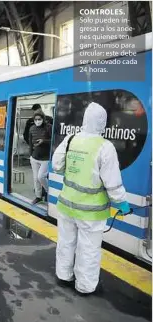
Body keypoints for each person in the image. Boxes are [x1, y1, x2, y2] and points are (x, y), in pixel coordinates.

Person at [52, 102, 131, 295]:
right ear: (102, 122)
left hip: (66, 205)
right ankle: (85, 286)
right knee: (88, 249)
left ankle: (63, 276)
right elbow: (112, 183)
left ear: (85, 119)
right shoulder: (105, 147)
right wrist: (122, 204)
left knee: (66, 242)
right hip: (91, 212)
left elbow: (56, 165)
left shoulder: (70, 139)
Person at [28, 110, 52, 204]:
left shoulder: (49, 127)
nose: (37, 121)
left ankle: (48, 192)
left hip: (45, 158)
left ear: (43, 119)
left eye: (39, 119)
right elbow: (30, 142)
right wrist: (31, 154)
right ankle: (38, 196)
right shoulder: (32, 128)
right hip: (34, 158)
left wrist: (44, 141)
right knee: (35, 178)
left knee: (41, 177)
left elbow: (53, 141)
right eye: (36, 119)